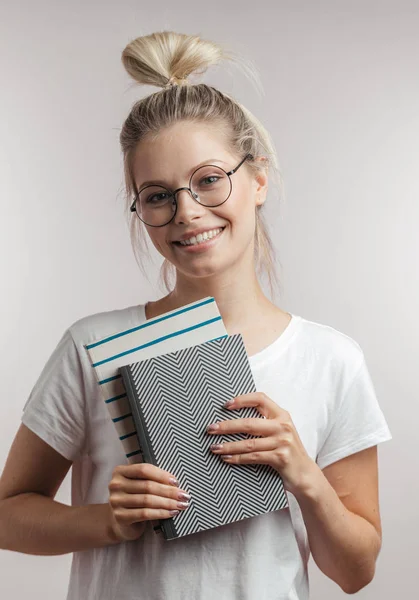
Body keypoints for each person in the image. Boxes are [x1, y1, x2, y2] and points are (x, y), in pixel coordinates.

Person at [0, 31, 392, 600]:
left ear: (257, 179)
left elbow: (356, 572)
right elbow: (8, 513)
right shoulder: (93, 345)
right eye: (157, 195)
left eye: (209, 179)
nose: (187, 211)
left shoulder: (330, 359)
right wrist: (105, 520)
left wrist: (303, 474)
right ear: (141, 211)